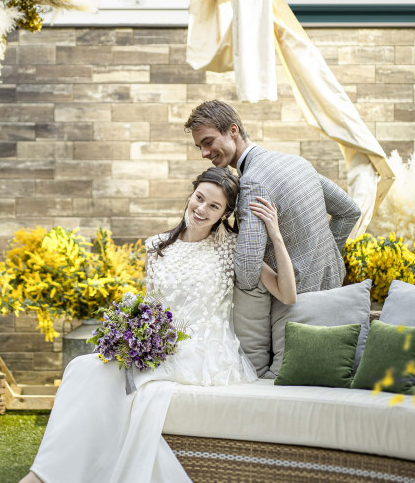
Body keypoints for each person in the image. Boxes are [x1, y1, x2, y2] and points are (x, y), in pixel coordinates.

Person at [19, 167, 296, 483]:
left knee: (107, 380)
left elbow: (288, 295)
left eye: (214, 206)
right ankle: (44, 474)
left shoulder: (231, 247)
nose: (201, 209)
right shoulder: (156, 246)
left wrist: (275, 234)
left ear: (225, 214)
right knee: (81, 369)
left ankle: (43, 479)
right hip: (158, 345)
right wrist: (131, 334)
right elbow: (150, 308)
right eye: (199, 198)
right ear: (191, 194)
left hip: (205, 353)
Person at [185, 100, 362, 375]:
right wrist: (325, 257)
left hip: (297, 309)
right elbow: (350, 211)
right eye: (200, 147)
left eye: (208, 142)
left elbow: (246, 270)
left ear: (233, 130)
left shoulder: (253, 181)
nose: (205, 152)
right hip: (336, 285)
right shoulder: (296, 162)